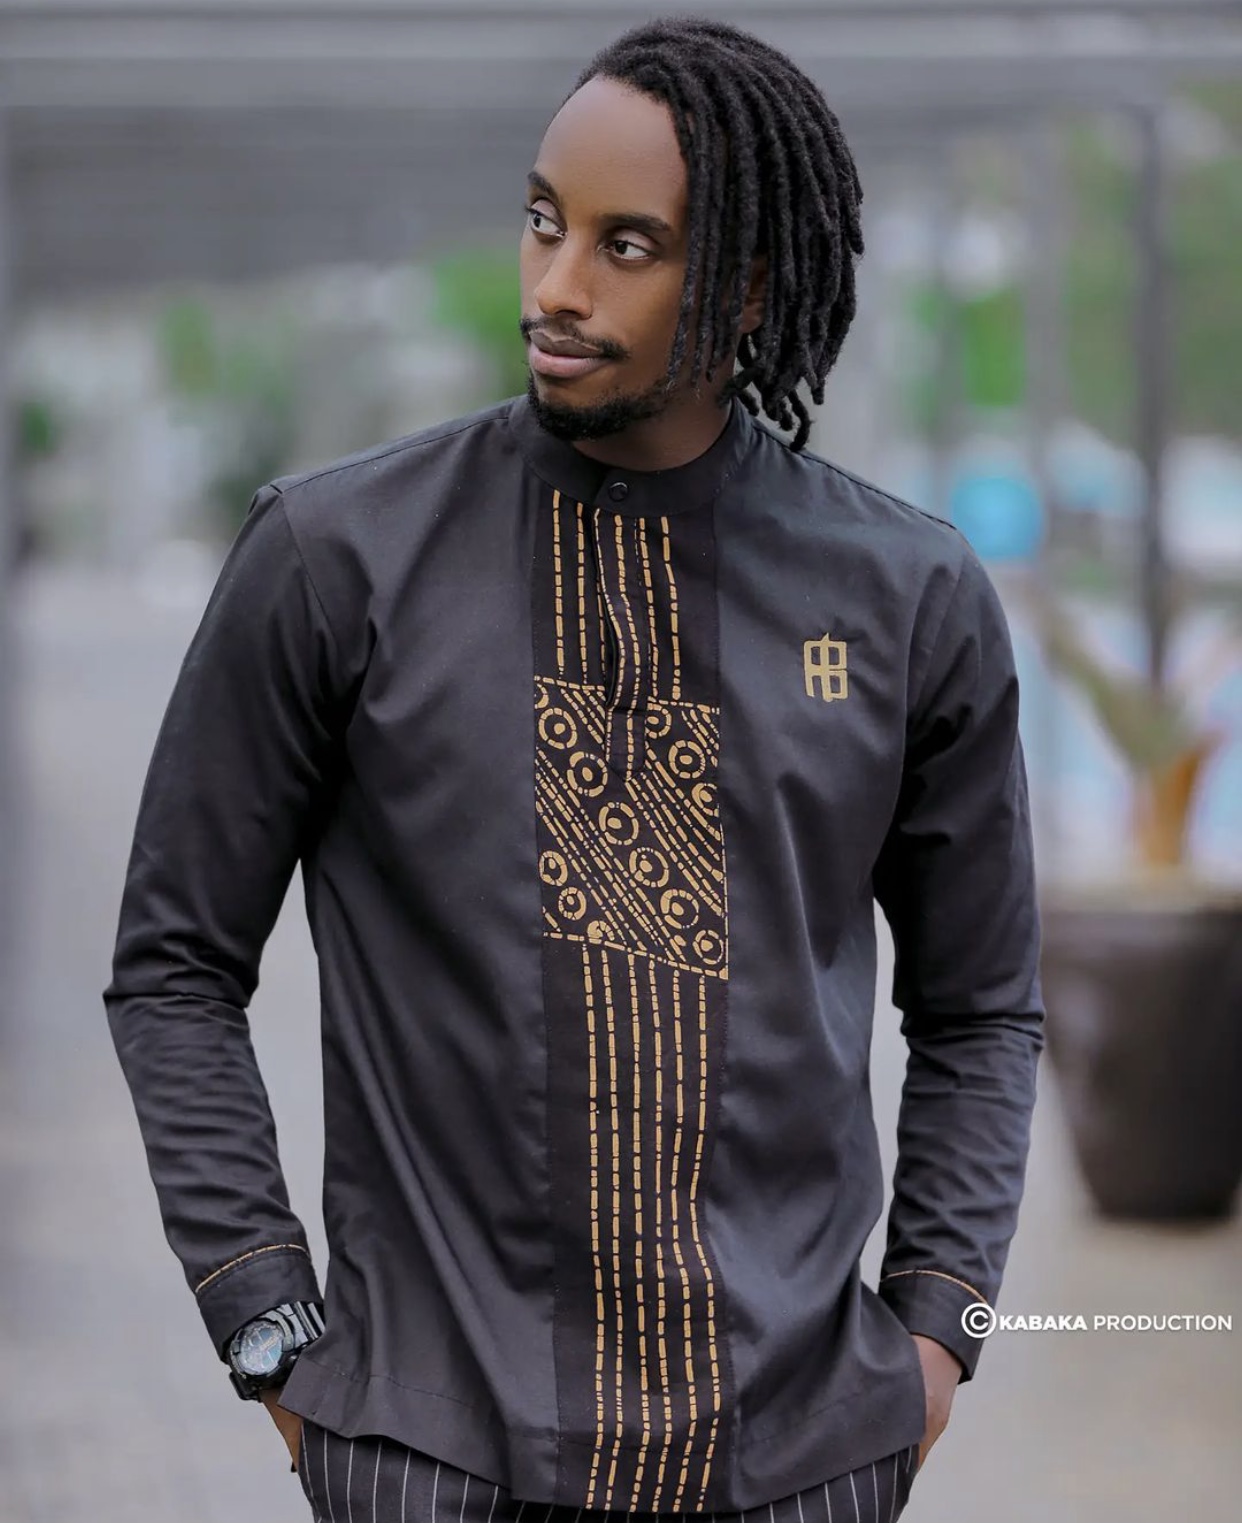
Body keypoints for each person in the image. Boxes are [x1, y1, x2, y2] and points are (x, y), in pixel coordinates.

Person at [104, 15, 1043, 1523]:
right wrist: (260, 1315)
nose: (554, 285)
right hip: (431, 1453)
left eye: (627, 245)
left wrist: (940, 1335)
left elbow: (983, 1006)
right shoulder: (337, 557)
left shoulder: (906, 595)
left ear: (747, 283)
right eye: (544, 221)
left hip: (798, 1461)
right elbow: (174, 966)